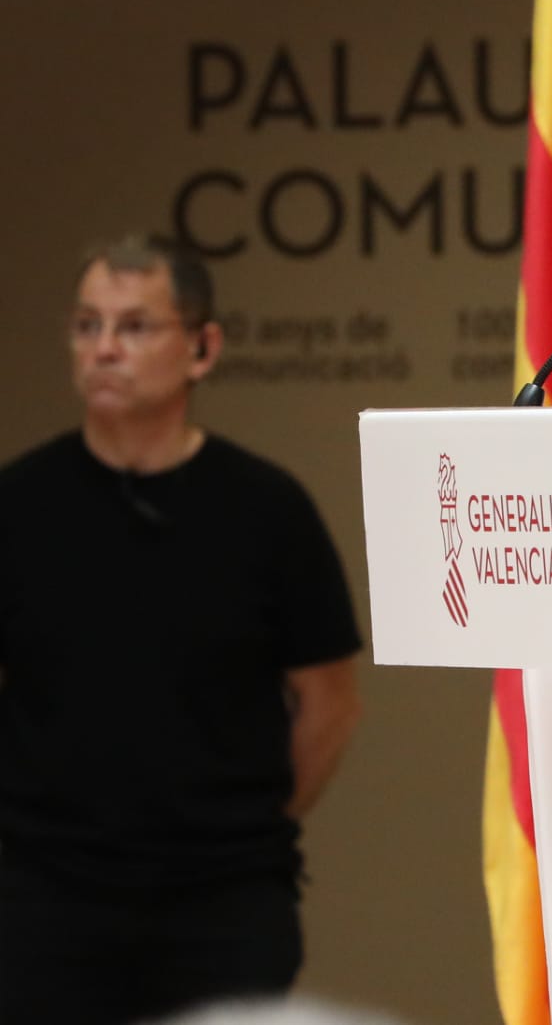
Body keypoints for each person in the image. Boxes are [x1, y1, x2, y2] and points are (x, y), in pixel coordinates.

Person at [0, 235, 365, 1025]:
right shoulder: (19, 504)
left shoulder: (268, 510)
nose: (103, 349)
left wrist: (238, 821)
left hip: (223, 901)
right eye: (87, 325)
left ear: (202, 348)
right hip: (42, 901)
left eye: (134, 328)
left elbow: (328, 701)